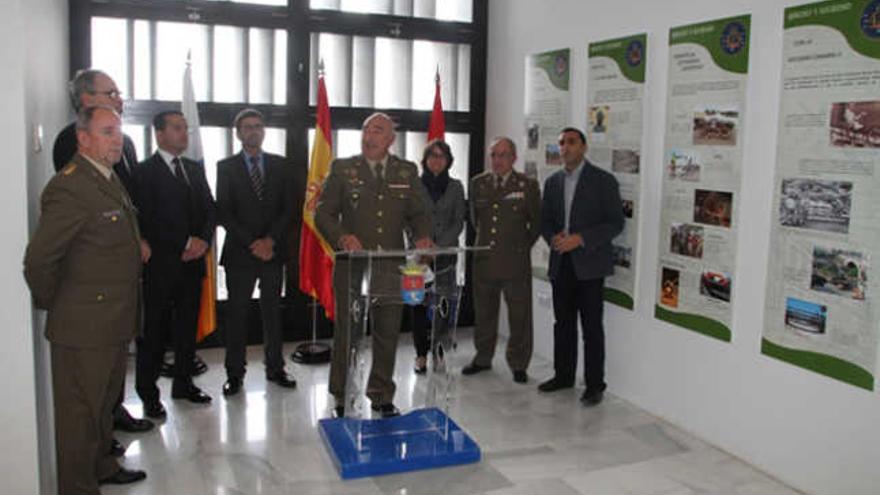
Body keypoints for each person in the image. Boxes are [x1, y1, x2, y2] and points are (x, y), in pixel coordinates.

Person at [25, 106, 149, 493]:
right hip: (84, 326)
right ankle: (78, 487)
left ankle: (102, 467)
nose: (118, 140)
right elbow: (39, 260)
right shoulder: (71, 186)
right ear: (83, 138)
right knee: (79, 415)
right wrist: (59, 304)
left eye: (119, 132)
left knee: (103, 404)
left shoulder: (107, 178)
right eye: (108, 132)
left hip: (112, 319)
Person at [50, 69, 153, 442]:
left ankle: (111, 427)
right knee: (87, 398)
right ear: (86, 99)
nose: (118, 97)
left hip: (119, 286)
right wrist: (55, 300)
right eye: (110, 92)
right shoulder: (70, 145)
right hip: (92, 293)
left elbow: (126, 201)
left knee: (109, 379)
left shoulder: (121, 146)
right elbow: (66, 237)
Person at [315, 112, 432, 418]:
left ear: (391, 139)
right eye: (366, 130)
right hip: (353, 263)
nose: (369, 136)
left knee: (388, 330)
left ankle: (381, 393)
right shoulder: (342, 169)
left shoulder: (406, 171)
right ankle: (342, 393)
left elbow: (418, 213)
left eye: (377, 131)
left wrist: (422, 237)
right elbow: (323, 214)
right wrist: (342, 237)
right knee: (348, 330)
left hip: (390, 263)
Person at [133, 111, 217, 418]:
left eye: (186, 129)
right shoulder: (144, 173)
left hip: (193, 266)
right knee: (154, 333)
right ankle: (148, 393)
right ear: (159, 134)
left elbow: (211, 209)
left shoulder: (193, 169)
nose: (185, 134)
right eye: (178, 128)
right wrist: (184, 242)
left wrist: (203, 241)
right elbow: (146, 220)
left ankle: (183, 383)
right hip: (161, 267)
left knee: (186, 330)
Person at [537, 127, 624, 406]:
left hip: (590, 266)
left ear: (584, 147)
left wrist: (581, 239)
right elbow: (545, 220)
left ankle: (594, 384)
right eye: (562, 143)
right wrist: (553, 238)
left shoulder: (603, 181)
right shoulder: (552, 182)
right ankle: (563, 376)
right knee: (562, 324)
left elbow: (615, 223)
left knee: (591, 327)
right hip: (561, 263)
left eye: (571, 142)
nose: (565, 148)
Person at [216, 108, 297, 396]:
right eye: (248, 127)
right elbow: (224, 211)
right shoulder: (225, 167)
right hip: (240, 253)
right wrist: (253, 242)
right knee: (237, 315)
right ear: (238, 133)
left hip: (273, 252)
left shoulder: (280, 165)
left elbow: (289, 208)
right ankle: (234, 374)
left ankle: (275, 368)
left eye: (259, 126)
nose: (254, 131)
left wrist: (270, 241)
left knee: (273, 313)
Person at [463, 137, 541, 384]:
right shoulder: (478, 183)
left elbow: (536, 223)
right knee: (484, 313)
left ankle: (519, 363)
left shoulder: (526, 185)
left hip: (515, 262)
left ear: (513, 158)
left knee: (519, 316)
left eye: (503, 155)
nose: (497, 160)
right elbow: (476, 221)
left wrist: (519, 247)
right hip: (484, 260)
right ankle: (483, 357)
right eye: (494, 155)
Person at [408, 139, 465, 374]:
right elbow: (407, 220)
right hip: (415, 258)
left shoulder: (456, 187)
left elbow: (458, 222)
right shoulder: (413, 185)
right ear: (425, 159)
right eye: (432, 156)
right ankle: (420, 355)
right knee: (417, 306)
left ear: (448, 160)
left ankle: (438, 351)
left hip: (445, 257)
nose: (436, 160)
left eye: (441, 156)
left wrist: (437, 247)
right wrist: (422, 247)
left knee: (443, 306)